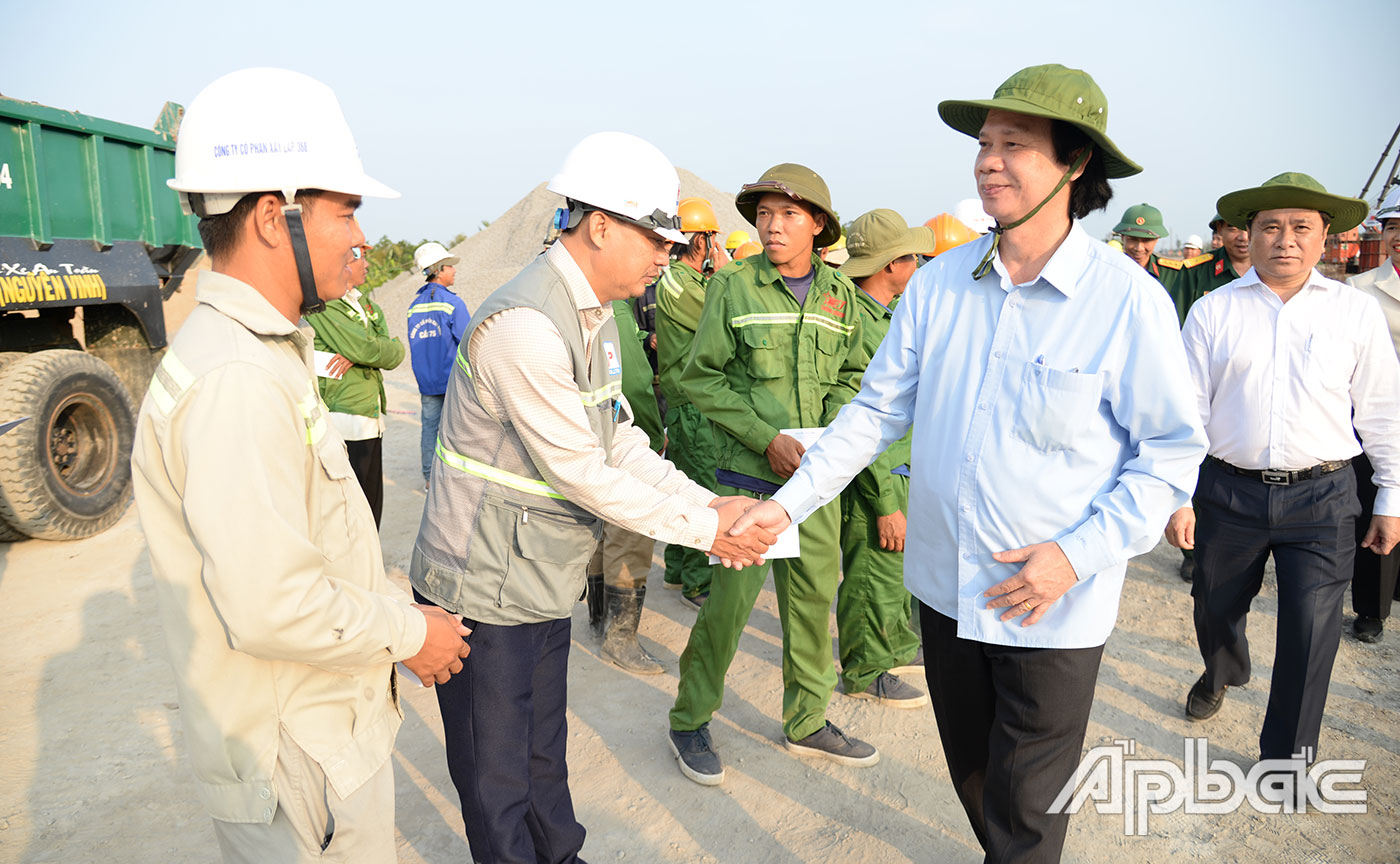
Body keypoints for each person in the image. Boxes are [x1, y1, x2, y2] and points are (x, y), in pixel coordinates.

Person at [733, 64, 1207, 863]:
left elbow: (1168, 458)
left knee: (1028, 810)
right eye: (984, 144)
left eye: (1014, 144)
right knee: (977, 775)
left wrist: (1075, 557)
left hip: (1051, 605)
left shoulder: (1125, 303)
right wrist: (788, 505)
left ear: (1074, 163)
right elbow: (875, 413)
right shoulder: (941, 287)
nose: (988, 160)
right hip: (948, 589)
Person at [130, 68, 470, 864]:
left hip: (316, 732)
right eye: (346, 209)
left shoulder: (261, 352)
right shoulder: (237, 380)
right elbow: (273, 605)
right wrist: (409, 631)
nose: (360, 236)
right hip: (297, 760)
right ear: (269, 217)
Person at [407, 131, 773, 864]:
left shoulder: (595, 317)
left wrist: (707, 505)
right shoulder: (526, 328)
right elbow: (582, 473)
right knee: (496, 774)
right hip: (480, 587)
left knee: (544, 751)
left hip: (537, 575)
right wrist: (706, 532)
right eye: (655, 238)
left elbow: (622, 443)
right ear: (601, 225)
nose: (667, 255)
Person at [1167, 173, 1400, 769]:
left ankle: (1287, 760)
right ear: (1249, 235)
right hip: (1228, 492)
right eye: (1271, 226)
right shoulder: (1214, 311)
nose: (1285, 240)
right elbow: (1187, 411)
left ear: (1327, 238)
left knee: (1310, 629)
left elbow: (1380, 410)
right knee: (1214, 605)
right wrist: (1178, 494)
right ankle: (1222, 669)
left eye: (1301, 227)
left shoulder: (1356, 313)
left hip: (1322, 497)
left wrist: (1390, 496)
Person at [667, 162, 879, 787]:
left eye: (788, 215)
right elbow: (697, 376)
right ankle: (690, 718)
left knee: (812, 605)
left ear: (817, 224)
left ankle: (807, 719)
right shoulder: (732, 287)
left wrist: (827, 438)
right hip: (748, 484)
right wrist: (769, 439)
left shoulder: (842, 299)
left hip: (814, 487)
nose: (772, 226)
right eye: (763, 215)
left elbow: (856, 378)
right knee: (727, 610)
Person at [833, 209, 936, 708]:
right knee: (870, 573)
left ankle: (892, 646)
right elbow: (860, 422)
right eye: (912, 257)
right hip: (877, 476)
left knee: (892, 571)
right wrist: (883, 500)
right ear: (891, 264)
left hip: (900, 467)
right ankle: (863, 668)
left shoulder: (884, 316)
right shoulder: (857, 324)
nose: (918, 264)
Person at [584, 294, 672, 674]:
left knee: (603, 531)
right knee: (633, 534)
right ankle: (621, 638)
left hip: (595, 437)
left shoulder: (569, 302)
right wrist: (652, 431)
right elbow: (633, 383)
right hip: (623, 437)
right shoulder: (612, 308)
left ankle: (599, 617)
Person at [655, 197, 729, 604]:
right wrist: (727, 275)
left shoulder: (691, 281)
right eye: (712, 236)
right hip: (692, 402)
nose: (715, 243)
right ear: (699, 240)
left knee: (685, 484)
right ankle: (699, 582)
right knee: (702, 486)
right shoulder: (680, 284)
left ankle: (679, 569)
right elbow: (721, 319)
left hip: (690, 401)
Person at [307, 242, 404, 527]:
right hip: (345, 417)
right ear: (346, 263)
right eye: (364, 258)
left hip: (370, 416)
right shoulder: (325, 305)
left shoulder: (366, 305)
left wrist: (366, 354)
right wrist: (366, 353)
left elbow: (393, 352)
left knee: (372, 503)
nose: (369, 265)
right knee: (351, 506)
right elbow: (365, 349)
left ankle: (370, 565)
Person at [1345, 186, 1400, 642]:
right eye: (1392, 228)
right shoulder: (1359, 290)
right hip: (1376, 416)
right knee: (1376, 506)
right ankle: (1371, 608)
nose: (1397, 236)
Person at [407, 241, 469, 487]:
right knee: (457, 431)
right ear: (439, 269)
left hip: (426, 382)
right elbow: (468, 341)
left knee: (429, 429)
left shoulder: (414, 307)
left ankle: (429, 478)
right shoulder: (453, 303)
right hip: (451, 381)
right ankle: (454, 479)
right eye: (450, 266)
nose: (454, 270)